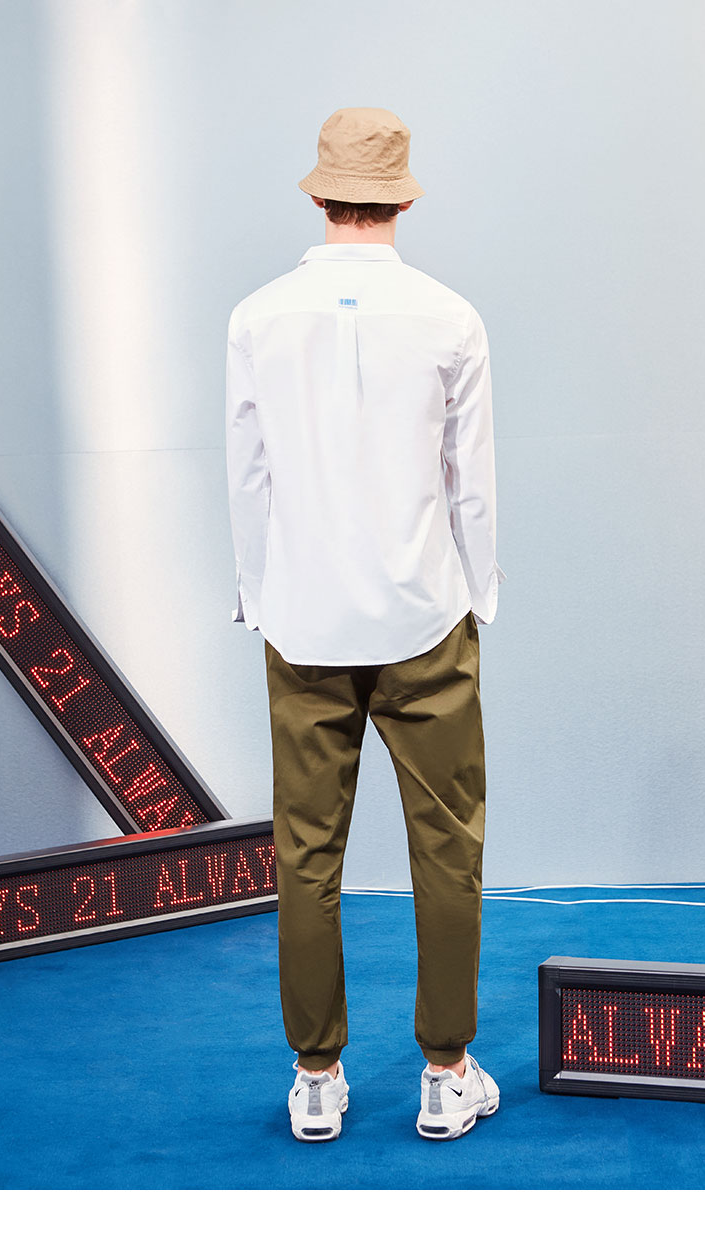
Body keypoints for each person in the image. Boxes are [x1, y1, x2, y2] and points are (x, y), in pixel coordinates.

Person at [225, 107, 506, 1142]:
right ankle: (445, 1069)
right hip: (424, 617)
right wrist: (478, 592)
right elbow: (469, 482)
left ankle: (314, 1074)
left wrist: (260, 595)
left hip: (302, 621)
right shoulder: (450, 318)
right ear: (402, 199)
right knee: (448, 846)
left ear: (318, 193)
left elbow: (248, 474)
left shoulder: (256, 318)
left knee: (305, 852)